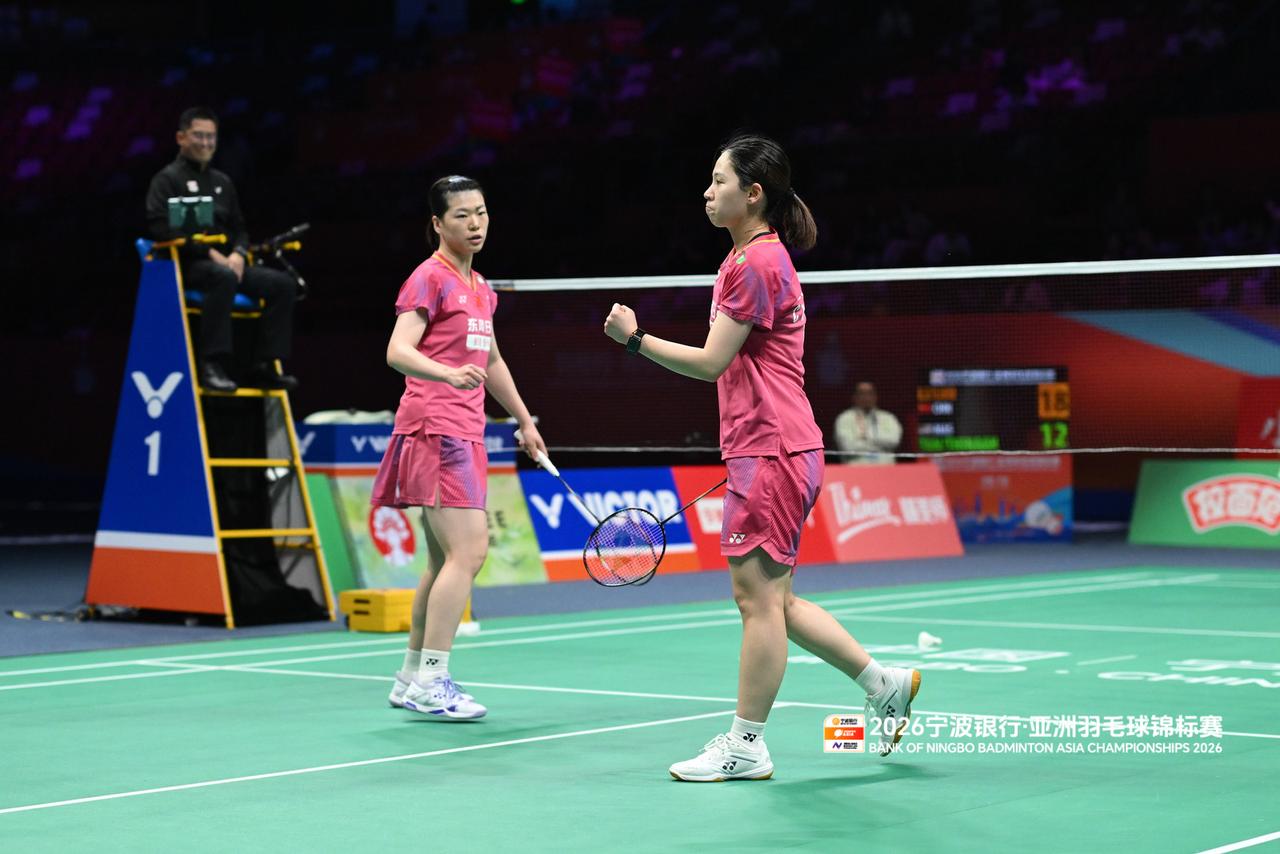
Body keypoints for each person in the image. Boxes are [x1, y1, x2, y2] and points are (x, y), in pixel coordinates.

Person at [603, 135, 921, 780]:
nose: (707, 191)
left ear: (753, 194)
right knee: (777, 600)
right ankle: (883, 684)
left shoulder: (753, 264)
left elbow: (711, 361)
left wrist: (635, 340)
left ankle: (746, 745)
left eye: (718, 181)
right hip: (774, 446)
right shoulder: (752, 258)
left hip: (773, 449)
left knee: (757, 603)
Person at [373, 175, 547, 720]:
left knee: (443, 559)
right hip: (437, 426)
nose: (475, 224)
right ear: (437, 223)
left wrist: (523, 420)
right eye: (461, 216)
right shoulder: (429, 279)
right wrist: (446, 374)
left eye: (481, 212)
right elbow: (397, 350)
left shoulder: (480, 287)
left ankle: (410, 676)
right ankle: (433, 680)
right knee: (468, 553)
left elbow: (490, 360)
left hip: (465, 429)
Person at [145, 106, 299, 393]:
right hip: (188, 265)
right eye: (198, 136)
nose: (206, 143)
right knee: (223, 277)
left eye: (211, 137)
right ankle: (211, 364)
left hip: (227, 263)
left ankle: (263, 365)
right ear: (181, 138)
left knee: (282, 284)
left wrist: (238, 253)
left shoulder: (222, 182)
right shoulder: (167, 180)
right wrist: (208, 253)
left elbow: (240, 228)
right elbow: (159, 227)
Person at [833, 381, 903, 464]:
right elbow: (848, 447)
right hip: (856, 469)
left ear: (875, 396)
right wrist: (881, 446)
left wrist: (865, 438)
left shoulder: (888, 418)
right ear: (854, 397)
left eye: (870, 393)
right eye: (862, 393)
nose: (866, 397)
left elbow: (893, 441)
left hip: (886, 468)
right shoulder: (844, 418)